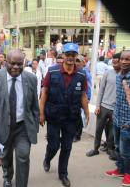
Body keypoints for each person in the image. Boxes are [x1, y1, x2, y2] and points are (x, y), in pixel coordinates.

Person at [0, 49, 40, 187]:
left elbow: (35, 105)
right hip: (2, 126)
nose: (16, 67)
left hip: (23, 126)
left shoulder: (31, 79)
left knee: (23, 156)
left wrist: (34, 126)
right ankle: (7, 177)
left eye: (19, 64)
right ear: (5, 62)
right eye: (12, 63)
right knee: (5, 156)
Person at [40, 43, 89, 187]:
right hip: (54, 116)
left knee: (67, 147)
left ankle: (63, 174)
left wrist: (86, 112)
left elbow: (83, 96)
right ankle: (47, 158)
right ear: (63, 56)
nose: (70, 58)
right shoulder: (52, 71)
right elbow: (44, 93)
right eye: (68, 55)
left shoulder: (81, 74)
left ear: (76, 57)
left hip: (71, 117)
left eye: (73, 55)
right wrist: (41, 113)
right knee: (54, 145)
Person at [86, 53, 120, 158]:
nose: (114, 65)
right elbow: (101, 90)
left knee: (111, 131)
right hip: (104, 107)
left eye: (116, 62)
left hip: (116, 109)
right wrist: (98, 105)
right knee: (98, 129)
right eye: (112, 62)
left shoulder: (124, 76)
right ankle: (95, 149)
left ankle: (110, 149)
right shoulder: (108, 73)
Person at [105, 50, 130, 186]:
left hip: (128, 122)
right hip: (118, 119)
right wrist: (115, 115)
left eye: (128, 59)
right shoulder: (119, 75)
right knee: (118, 148)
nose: (124, 62)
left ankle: (128, 174)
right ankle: (120, 170)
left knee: (126, 151)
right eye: (122, 59)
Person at [74, 55, 92, 142]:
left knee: (79, 116)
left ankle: (78, 135)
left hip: (83, 98)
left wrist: (88, 98)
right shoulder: (75, 72)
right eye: (76, 61)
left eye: (79, 61)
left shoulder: (85, 74)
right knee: (76, 116)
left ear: (83, 63)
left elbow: (89, 87)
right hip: (75, 97)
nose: (77, 63)